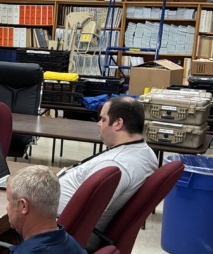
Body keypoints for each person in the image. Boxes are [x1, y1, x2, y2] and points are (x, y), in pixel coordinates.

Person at [57, 96, 157, 241]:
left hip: (59, 232)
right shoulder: (145, 152)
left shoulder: (115, 166)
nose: (99, 123)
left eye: (103, 119)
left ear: (118, 123)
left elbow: (85, 217)